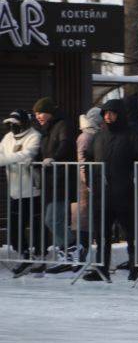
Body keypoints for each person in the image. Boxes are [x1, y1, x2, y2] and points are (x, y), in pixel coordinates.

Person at [84, 98, 138, 281]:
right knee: (102, 234)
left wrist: (135, 182)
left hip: (126, 192)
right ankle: (101, 268)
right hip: (103, 193)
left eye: (112, 113)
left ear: (120, 114)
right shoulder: (99, 136)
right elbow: (89, 158)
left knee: (131, 233)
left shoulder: (132, 135)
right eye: (106, 113)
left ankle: (136, 266)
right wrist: (91, 181)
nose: (108, 117)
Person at [33, 97, 78, 273]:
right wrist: (35, 160)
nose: (38, 116)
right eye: (36, 113)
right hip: (50, 181)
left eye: (41, 112)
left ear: (50, 112)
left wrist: (54, 159)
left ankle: (74, 250)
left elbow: (66, 145)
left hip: (62, 180)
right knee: (52, 220)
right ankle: (67, 255)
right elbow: (43, 151)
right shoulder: (46, 129)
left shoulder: (63, 125)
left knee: (53, 219)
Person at [0, 110, 42, 276]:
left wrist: (9, 158)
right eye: (10, 124)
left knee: (35, 226)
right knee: (14, 228)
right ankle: (25, 254)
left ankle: (39, 257)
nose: (12, 127)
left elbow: (28, 154)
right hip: (14, 190)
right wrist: (13, 158)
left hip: (32, 190)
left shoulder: (34, 136)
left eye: (15, 123)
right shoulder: (8, 138)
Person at [71, 107, 103, 263]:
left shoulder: (94, 134)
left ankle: (87, 255)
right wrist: (88, 182)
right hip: (87, 185)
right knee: (84, 219)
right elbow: (82, 162)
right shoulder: (86, 136)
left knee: (89, 219)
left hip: (91, 182)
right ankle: (82, 255)